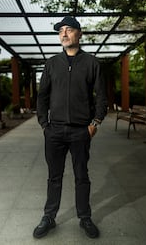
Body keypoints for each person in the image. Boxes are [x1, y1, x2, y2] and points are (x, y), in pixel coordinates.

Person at [33, 16, 108, 239]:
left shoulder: (92, 63)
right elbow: (42, 96)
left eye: (69, 30)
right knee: (53, 176)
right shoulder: (52, 63)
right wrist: (44, 125)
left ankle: (84, 217)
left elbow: (102, 98)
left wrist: (95, 124)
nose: (64, 34)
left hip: (80, 131)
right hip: (54, 131)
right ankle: (49, 217)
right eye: (60, 31)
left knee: (81, 176)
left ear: (79, 34)